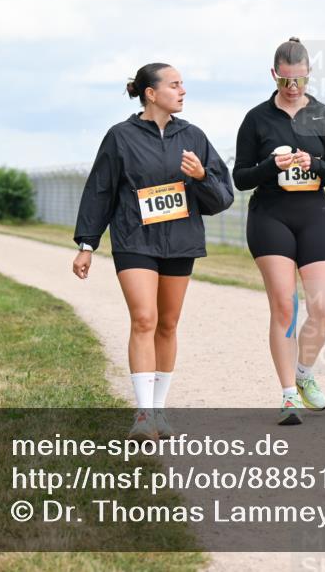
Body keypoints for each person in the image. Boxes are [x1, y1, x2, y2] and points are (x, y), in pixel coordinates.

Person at [73, 63, 233, 441]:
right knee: (144, 318)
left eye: (183, 85)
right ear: (151, 92)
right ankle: (143, 415)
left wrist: (200, 177)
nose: (182, 91)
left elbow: (222, 196)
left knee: (168, 323)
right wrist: (86, 244)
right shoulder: (120, 137)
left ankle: (159, 411)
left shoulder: (193, 136)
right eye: (175, 85)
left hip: (181, 240)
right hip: (134, 239)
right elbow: (100, 191)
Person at [233, 37, 325, 425]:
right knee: (284, 306)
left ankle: (304, 375)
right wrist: (273, 166)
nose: (293, 88)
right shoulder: (257, 119)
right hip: (270, 216)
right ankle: (287, 396)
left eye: (300, 80)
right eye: (286, 81)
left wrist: (314, 163)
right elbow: (241, 178)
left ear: (309, 74)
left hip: (314, 214)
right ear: (274, 75)